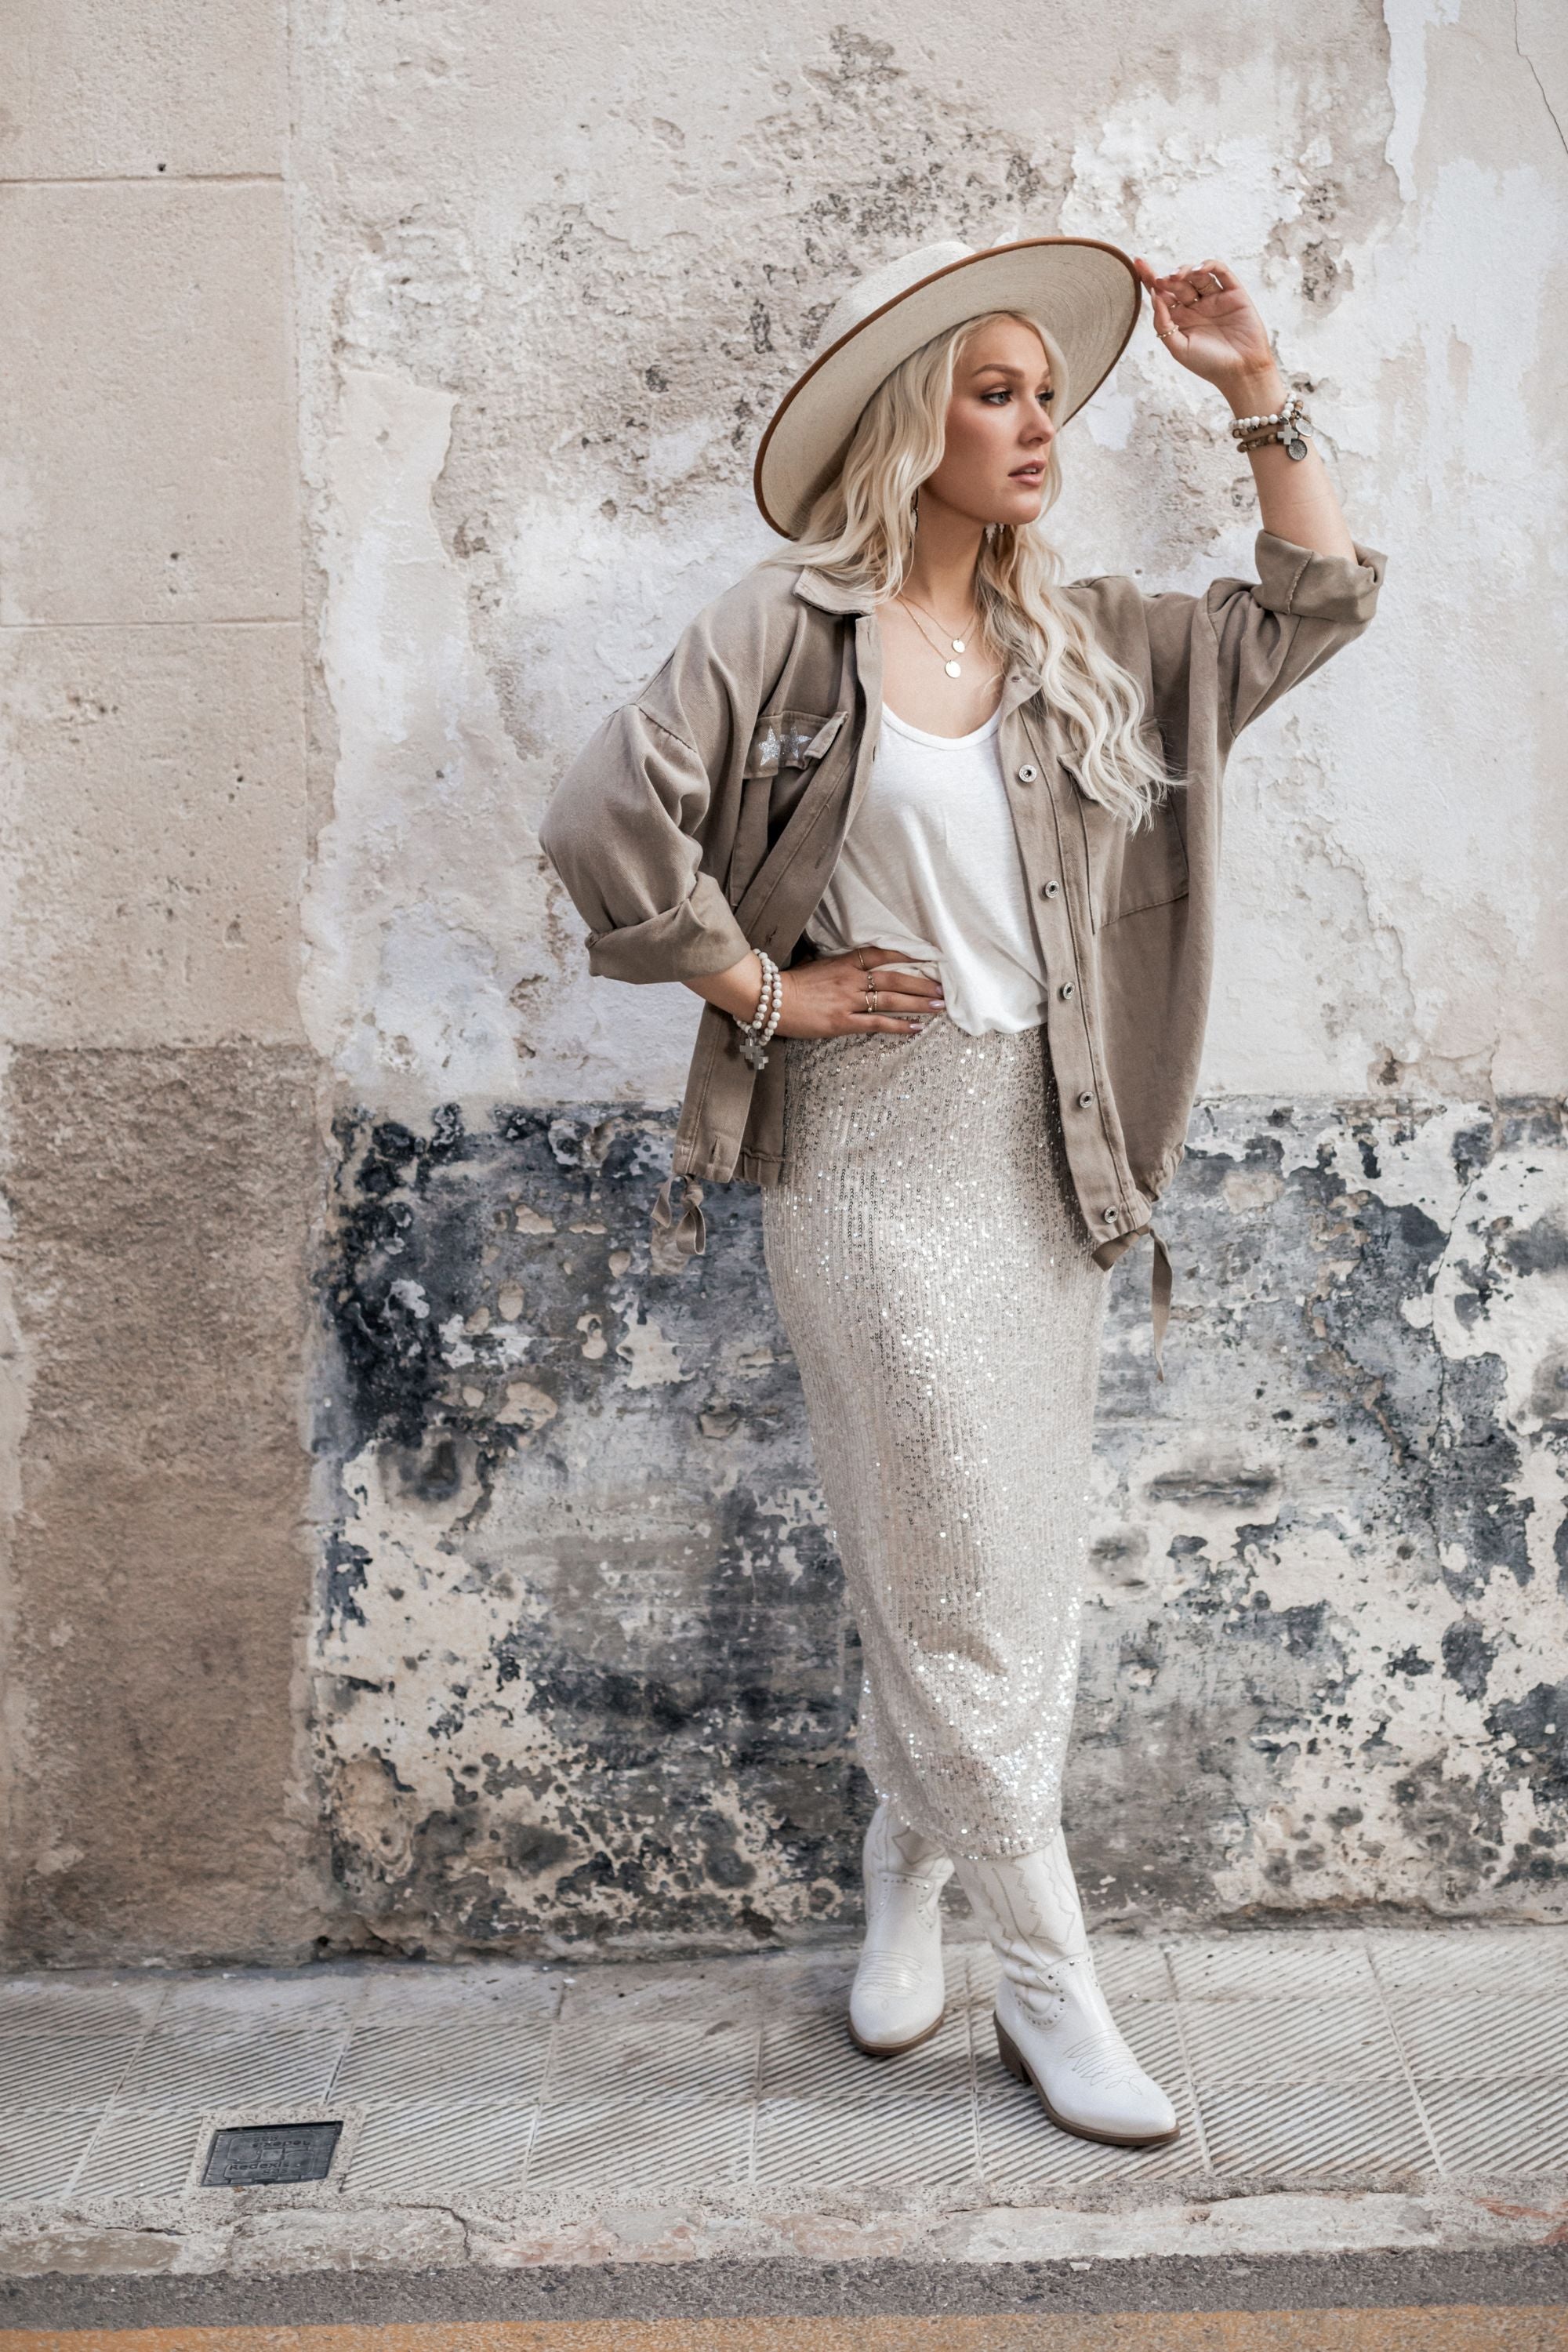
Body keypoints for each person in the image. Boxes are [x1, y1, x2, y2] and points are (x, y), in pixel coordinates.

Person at [540, 236, 1384, 2149]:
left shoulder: (1089, 639)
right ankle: (1054, 1989)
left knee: (991, 1562)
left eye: (1045, 397)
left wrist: (1254, 386)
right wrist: (761, 989)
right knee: (951, 1558)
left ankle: (906, 1865)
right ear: (912, 425)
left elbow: (1313, 603)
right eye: (993, 394)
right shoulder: (789, 629)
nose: (1034, 427)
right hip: (863, 1158)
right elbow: (602, 815)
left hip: (1044, 1156)